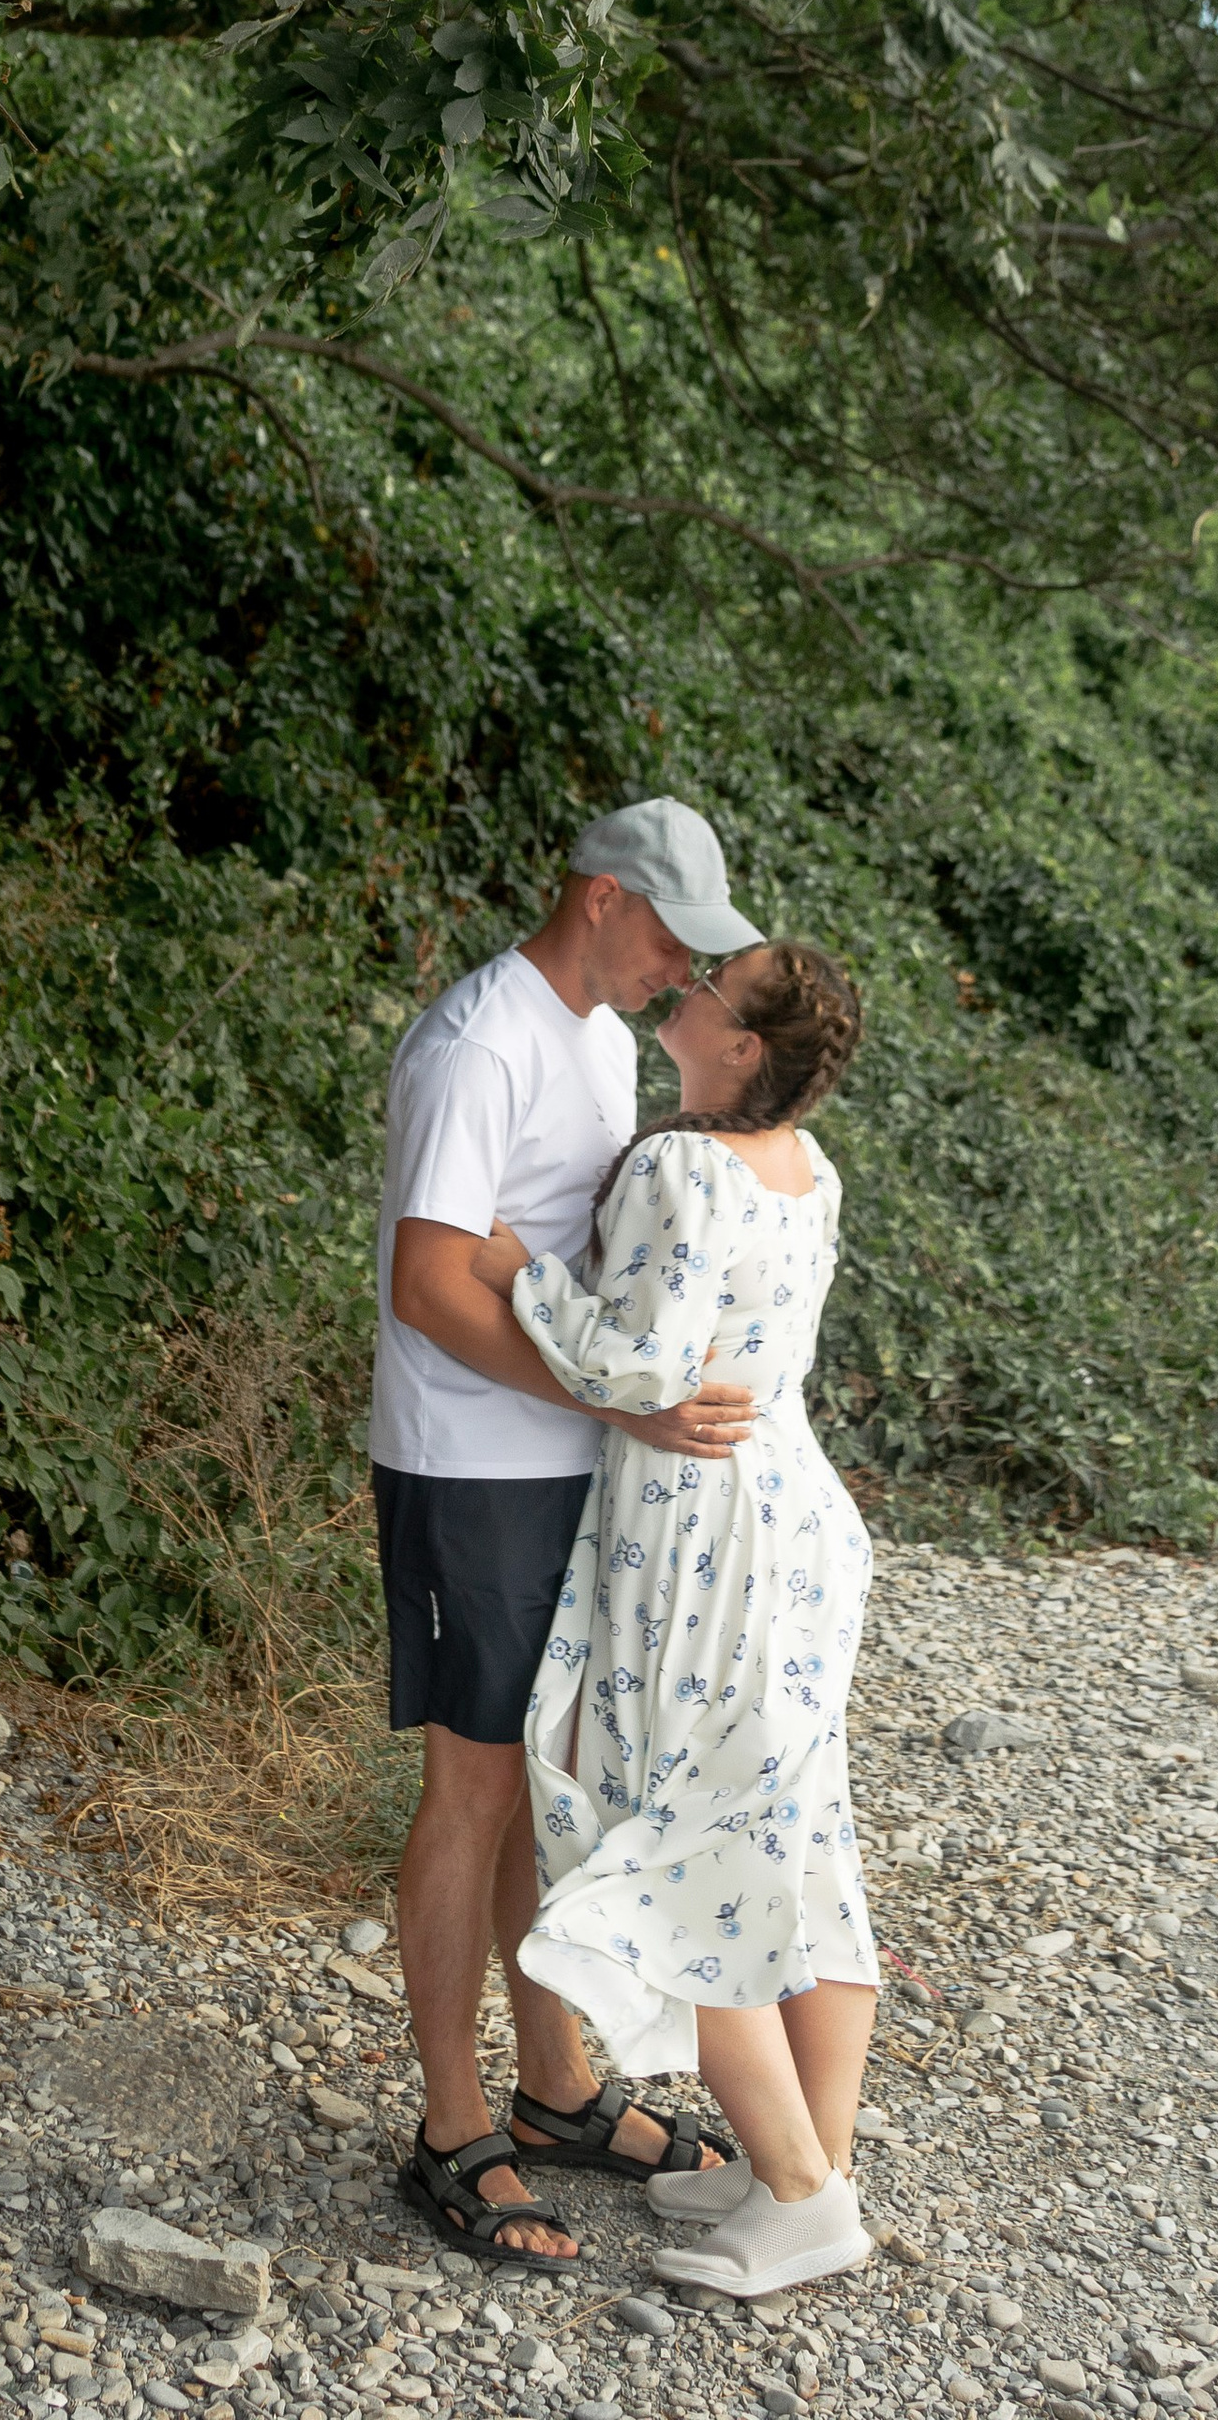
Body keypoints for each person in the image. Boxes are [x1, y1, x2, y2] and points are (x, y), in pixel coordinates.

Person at [371, 801, 767, 2271]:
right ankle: (450, 2126)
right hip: (469, 1465)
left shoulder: (602, 1034)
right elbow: (428, 1281)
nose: (684, 970)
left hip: (576, 1458)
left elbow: (558, 1252)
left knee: (549, 1785)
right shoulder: (482, 1042)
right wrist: (619, 1395)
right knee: (473, 1790)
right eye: (672, 934)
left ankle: (555, 2092)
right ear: (602, 899)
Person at [471, 937, 879, 2301]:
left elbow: (639, 1364)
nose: (684, 990)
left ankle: (807, 2200)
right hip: (798, 1518)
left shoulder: (679, 1166)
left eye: (713, 987)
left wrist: (518, 1269)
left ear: (740, 1045)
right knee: (793, 1829)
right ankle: (802, 2159)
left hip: (697, 1525)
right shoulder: (806, 1170)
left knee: (694, 1837)